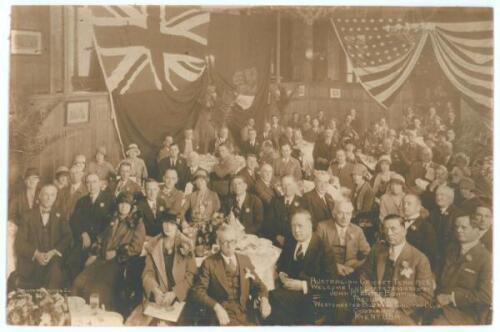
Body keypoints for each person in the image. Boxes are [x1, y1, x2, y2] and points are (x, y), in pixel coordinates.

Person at [72, 192, 146, 311]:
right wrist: (94, 254)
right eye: (121, 203)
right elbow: (100, 238)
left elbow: (136, 247)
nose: (123, 207)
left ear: (132, 206)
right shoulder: (112, 218)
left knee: (96, 290)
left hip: (119, 262)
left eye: (127, 204)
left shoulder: (137, 223)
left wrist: (117, 252)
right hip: (101, 259)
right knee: (78, 282)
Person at [356, 214, 434, 325]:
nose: (389, 233)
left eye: (393, 229)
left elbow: (426, 297)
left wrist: (396, 302)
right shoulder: (377, 250)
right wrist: (372, 294)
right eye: (386, 229)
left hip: (403, 312)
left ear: (404, 230)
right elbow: (364, 275)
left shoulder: (419, 258)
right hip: (375, 306)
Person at [126, 214, 197, 326]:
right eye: (165, 223)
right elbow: (147, 273)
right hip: (158, 297)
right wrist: (155, 290)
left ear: (177, 226)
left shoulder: (186, 244)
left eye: (172, 224)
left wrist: (175, 293)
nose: (168, 227)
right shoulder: (153, 243)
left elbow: (191, 275)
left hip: (179, 298)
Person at [193, 224, 271, 325]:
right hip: (223, 315)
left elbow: (259, 285)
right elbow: (198, 292)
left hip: (245, 313)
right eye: (225, 242)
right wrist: (216, 307)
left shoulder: (244, 260)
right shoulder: (209, 263)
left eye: (232, 241)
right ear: (218, 243)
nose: (229, 246)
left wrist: (264, 300)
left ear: (236, 242)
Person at [268, 210, 335, 325]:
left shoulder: (323, 248)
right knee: (266, 298)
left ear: (310, 226)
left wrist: (303, 285)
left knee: (273, 299)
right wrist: (281, 273)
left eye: (300, 226)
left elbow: (331, 281)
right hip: (290, 293)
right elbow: (281, 263)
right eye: (293, 226)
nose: (296, 230)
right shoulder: (291, 241)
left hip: (313, 296)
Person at [316, 200, 370, 324]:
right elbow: (315, 254)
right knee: (341, 302)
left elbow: (368, 254)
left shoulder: (357, 230)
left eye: (348, 213)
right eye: (341, 213)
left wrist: (355, 266)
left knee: (360, 300)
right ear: (334, 214)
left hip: (352, 273)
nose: (345, 217)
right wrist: (334, 266)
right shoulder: (322, 227)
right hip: (328, 272)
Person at [432, 215, 492, 325]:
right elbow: (438, 272)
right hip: (438, 302)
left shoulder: (486, 258)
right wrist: (433, 279)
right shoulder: (451, 249)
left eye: (464, 227)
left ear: (477, 230)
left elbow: (486, 296)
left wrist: (451, 298)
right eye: (457, 227)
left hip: (464, 313)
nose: (458, 230)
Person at [14, 184, 71, 289]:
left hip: (52, 258)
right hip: (32, 260)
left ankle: (49, 301)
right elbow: (20, 242)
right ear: (39, 195)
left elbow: (68, 237)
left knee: (55, 271)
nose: (49, 198)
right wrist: (36, 254)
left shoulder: (60, 214)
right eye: (46, 194)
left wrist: (53, 251)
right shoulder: (27, 215)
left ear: (56, 197)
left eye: (52, 195)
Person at [67, 173, 114, 280]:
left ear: (100, 183)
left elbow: (111, 224)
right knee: (72, 262)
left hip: (102, 242)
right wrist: (83, 233)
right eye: (88, 182)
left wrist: (98, 241)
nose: (91, 185)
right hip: (84, 241)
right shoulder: (82, 201)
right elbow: (74, 221)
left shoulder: (109, 199)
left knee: (93, 269)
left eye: (94, 182)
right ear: (85, 185)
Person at [429, 185, 461, 275]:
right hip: (435, 252)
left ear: (450, 198)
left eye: (442, 195)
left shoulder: (457, 214)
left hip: (449, 254)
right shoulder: (433, 213)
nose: (439, 197)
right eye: (437, 195)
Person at [402, 194, 438, 273]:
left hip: (414, 269)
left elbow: (429, 255)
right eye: (403, 203)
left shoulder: (426, 228)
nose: (405, 206)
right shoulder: (398, 223)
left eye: (409, 203)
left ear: (418, 207)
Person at [271, 175, 308, 246]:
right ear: (281, 187)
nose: (287, 188)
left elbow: (304, 226)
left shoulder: (303, 203)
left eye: (289, 184)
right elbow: (269, 223)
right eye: (284, 185)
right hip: (276, 241)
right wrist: (277, 236)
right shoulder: (275, 201)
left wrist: (290, 240)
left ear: (294, 185)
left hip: (295, 242)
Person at [254, 163, 279, 239]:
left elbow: (281, 195)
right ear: (261, 173)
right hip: (265, 215)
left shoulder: (272, 183)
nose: (268, 174)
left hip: (275, 211)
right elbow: (268, 200)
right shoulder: (257, 185)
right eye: (265, 172)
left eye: (270, 172)